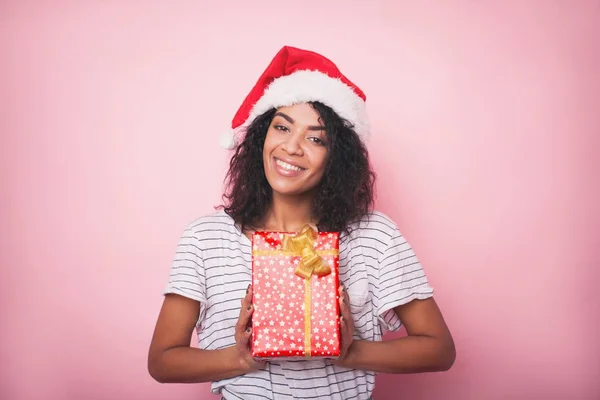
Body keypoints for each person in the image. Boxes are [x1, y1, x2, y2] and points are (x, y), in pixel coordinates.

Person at [148, 46, 455, 399]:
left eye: (315, 138)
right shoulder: (207, 238)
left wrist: (350, 352)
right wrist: (241, 358)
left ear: (337, 157)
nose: (291, 148)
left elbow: (439, 349)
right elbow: (162, 360)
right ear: (262, 136)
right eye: (282, 127)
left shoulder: (375, 235)